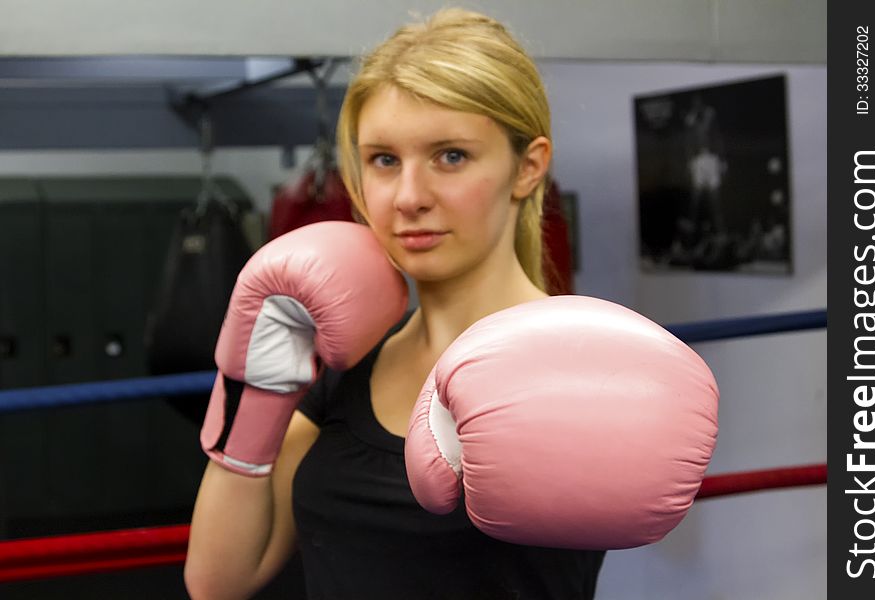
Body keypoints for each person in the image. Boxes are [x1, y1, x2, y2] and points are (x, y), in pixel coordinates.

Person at [184, 8, 606, 599]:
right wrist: (253, 388)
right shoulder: (348, 365)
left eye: (450, 156)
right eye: (384, 160)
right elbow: (217, 581)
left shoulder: (582, 365)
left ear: (528, 167)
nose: (408, 197)